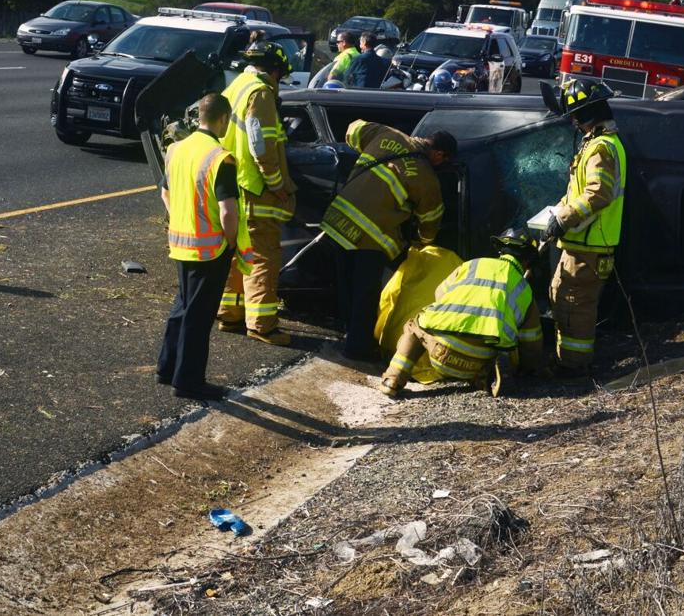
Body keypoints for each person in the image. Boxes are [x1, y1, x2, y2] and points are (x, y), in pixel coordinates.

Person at [320, 121, 456, 360]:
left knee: (347, 283)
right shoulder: (426, 178)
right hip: (370, 237)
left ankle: (349, 332)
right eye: (443, 161)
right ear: (438, 153)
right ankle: (358, 348)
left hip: (338, 221)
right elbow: (430, 221)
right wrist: (422, 245)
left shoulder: (386, 133)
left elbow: (353, 129)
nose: (441, 166)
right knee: (365, 293)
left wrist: (368, 148)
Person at [157, 93, 251, 401]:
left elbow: (165, 195)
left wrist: (182, 219)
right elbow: (228, 210)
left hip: (180, 243)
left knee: (182, 307)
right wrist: (233, 241)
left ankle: (167, 367)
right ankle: (188, 381)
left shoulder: (175, 150)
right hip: (209, 250)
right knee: (198, 316)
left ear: (199, 116)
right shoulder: (220, 157)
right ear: (223, 119)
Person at [377, 229, 544, 398]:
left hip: (440, 353)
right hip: (479, 361)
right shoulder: (525, 290)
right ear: (528, 260)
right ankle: (485, 379)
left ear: (500, 250)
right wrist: (530, 369)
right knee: (498, 350)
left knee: (414, 326)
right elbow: (531, 343)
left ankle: (393, 379)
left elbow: (440, 294)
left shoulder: (472, 264)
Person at [539, 78, 626, 373]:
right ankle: (567, 360)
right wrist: (557, 213)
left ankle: (574, 367)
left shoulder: (601, 147)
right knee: (562, 299)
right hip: (581, 243)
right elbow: (578, 191)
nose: (573, 122)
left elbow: (597, 193)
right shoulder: (595, 144)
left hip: (591, 246)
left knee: (575, 307)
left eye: (575, 116)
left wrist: (564, 219)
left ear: (587, 114)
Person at [217, 41, 296, 346]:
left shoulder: (237, 85)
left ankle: (229, 314)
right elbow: (260, 146)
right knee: (263, 256)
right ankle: (262, 325)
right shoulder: (261, 93)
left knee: (238, 253)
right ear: (275, 71)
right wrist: (278, 186)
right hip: (256, 189)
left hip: (234, 185)